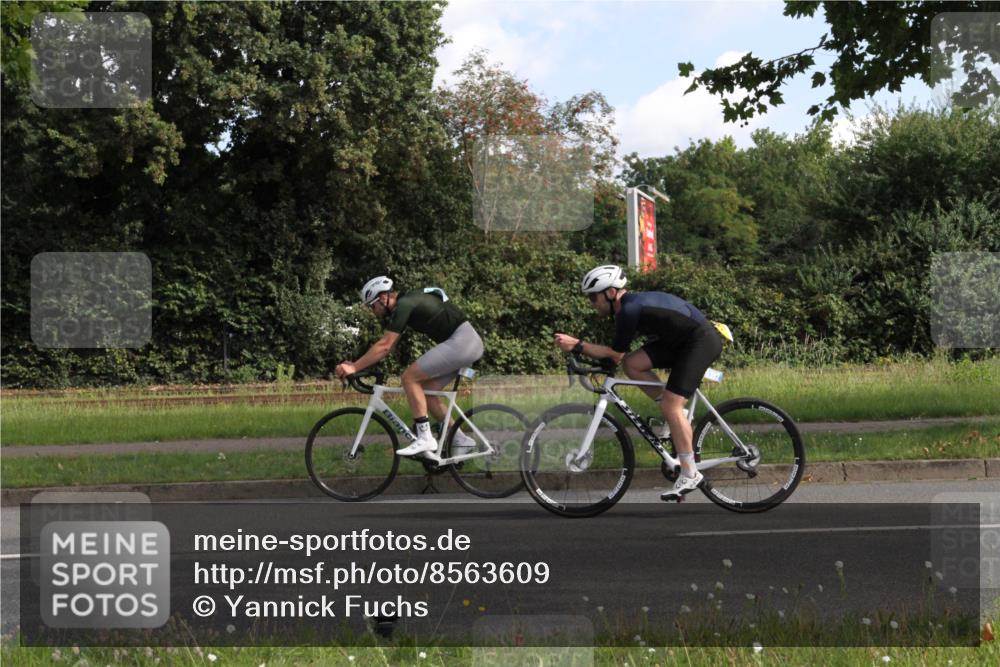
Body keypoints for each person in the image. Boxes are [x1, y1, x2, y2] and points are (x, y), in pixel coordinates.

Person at [553, 264, 723, 501]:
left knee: (670, 406)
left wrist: (578, 345)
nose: (592, 303)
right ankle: (678, 416)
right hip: (682, 342)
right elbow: (621, 358)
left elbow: (613, 354)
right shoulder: (628, 308)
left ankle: (690, 472)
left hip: (700, 341)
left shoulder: (629, 310)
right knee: (633, 364)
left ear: (611, 293)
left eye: (594, 297)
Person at [335, 276, 484, 457]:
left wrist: (354, 368)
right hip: (465, 342)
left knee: (409, 378)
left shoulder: (404, 304)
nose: (373, 311)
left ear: (383, 298)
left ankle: (425, 438)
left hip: (462, 342)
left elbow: (385, 346)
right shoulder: (407, 302)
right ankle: (459, 438)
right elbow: (387, 346)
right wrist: (356, 364)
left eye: (372, 306)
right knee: (427, 392)